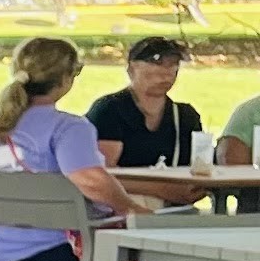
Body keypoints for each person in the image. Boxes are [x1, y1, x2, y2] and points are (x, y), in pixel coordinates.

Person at [0, 34, 144, 261]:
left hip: (0, 253)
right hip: (60, 251)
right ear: (65, 80)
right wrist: (130, 208)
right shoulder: (68, 128)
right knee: (149, 254)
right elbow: (89, 179)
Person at [83, 31, 207, 207]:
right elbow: (103, 173)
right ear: (131, 68)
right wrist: (160, 189)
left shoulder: (185, 116)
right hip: (121, 207)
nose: (166, 72)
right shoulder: (109, 110)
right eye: (157, 63)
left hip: (174, 209)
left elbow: (198, 167)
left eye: (173, 64)